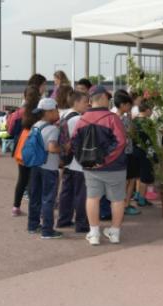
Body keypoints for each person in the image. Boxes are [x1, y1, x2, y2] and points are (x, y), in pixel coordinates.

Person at [72, 85, 127, 246]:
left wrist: (86, 160)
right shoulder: (112, 118)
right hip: (115, 167)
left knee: (92, 197)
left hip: (90, 168)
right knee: (117, 200)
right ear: (102, 98)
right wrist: (103, 159)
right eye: (108, 98)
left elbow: (74, 143)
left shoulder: (81, 119)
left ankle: (94, 233)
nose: (109, 100)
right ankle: (115, 233)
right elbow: (120, 142)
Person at [27, 98, 63, 239]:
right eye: (56, 110)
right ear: (49, 112)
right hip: (49, 168)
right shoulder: (53, 129)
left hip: (35, 166)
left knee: (35, 197)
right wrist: (64, 148)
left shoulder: (35, 125)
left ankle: (33, 225)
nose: (58, 113)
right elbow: (52, 148)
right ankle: (47, 231)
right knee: (48, 199)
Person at [57, 90, 90, 233]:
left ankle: (63, 220)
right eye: (85, 102)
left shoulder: (63, 115)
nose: (87, 104)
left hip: (67, 160)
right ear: (76, 102)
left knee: (66, 192)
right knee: (81, 194)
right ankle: (82, 224)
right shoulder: (78, 120)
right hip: (78, 162)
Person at [11, 86, 42, 217]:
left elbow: (10, 130)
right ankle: (36, 210)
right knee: (34, 180)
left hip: (22, 144)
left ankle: (15, 207)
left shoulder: (19, 112)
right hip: (35, 144)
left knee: (22, 179)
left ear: (24, 97)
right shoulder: (40, 112)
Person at [113, 90, 140, 216]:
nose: (130, 107)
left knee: (122, 180)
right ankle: (126, 204)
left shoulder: (112, 117)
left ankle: (120, 204)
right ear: (123, 105)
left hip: (118, 153)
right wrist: (130, 120)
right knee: (131, 179)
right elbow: (132, 134)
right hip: (127, 152)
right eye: (129, 105)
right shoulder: (124, 119)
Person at [132, 102, 156, 207]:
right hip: (145, 151)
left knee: (137, 174)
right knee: (145, 176)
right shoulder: (148, 122)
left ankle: (137, 194)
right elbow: (152, 139)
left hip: (135, 150)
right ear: (146, 110)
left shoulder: (134, 120)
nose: (151, 112)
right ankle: (141, 199)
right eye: (150, 110)